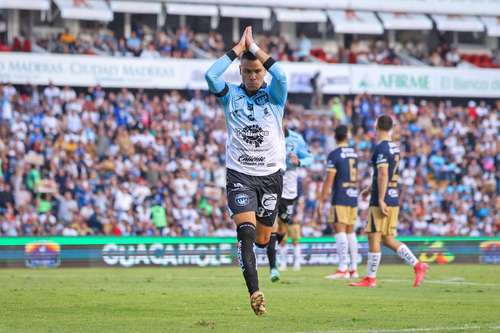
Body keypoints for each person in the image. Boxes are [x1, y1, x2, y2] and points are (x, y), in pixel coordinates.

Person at [205, 26, 287, 315]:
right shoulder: (231, 96)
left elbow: (283, 76)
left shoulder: (276, 97)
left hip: (271, 176)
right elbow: (210, 76)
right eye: (247, 72)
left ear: (263, 72)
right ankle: (255, 292)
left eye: (257, 72)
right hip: (240, 175)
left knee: (264, 239)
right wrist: (238, 50)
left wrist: (256, 50)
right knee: (247, 235)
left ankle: (269, 250)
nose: (252, 77)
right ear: (240, 72)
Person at [350, 115, 428, 288]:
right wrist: (370, 189)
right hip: (393, 197)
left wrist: (379, 198)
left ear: (377, 126)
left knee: (373, 235)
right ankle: (418, 265)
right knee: (387, 238)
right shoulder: (394, 148)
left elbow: (384, 173)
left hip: (383, 199)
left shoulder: (381, 148)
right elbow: (385, 174)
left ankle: (370, 279)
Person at [266, 119, 312, 280]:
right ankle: (274, 266)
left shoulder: (297, 139)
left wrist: (299, 161)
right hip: (271, 185)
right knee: (272, 224)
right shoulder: (269, 135)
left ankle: (276, 252)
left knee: (283, 228)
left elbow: (310, 158)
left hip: (289, 190)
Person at [317, 125, 359, 280]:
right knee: (350, 231)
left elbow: (329, 180)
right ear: (347, 136)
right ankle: (354, 268)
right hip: (353, 195)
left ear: (335, 137)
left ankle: (343, 268)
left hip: (340, 195)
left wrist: (321, 200)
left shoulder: (334, 155)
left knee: (340, 230)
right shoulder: (354, 154)